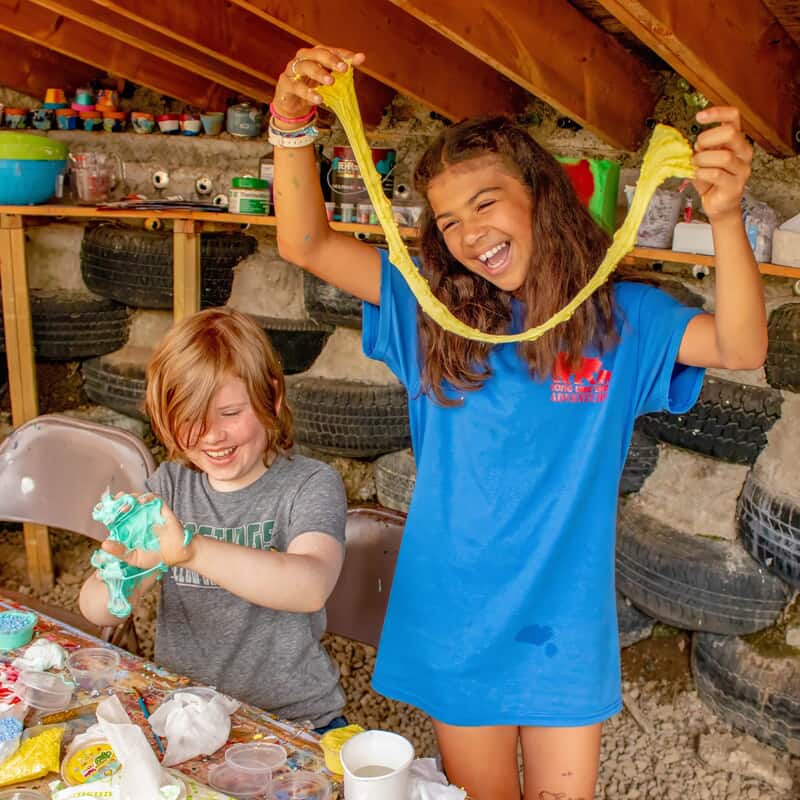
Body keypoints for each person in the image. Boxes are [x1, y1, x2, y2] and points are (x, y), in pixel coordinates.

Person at [270, 45, 767, 799]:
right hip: (456, 611)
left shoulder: (622, 321)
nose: (469, 234)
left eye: (486, 203)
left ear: (540, 194)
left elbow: (741, 344)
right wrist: (291, 121)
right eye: (448, 220)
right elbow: (303, 242)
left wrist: (726, 215)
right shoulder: (429, 310)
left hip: (563, 623)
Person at [79, 307, 349, 733]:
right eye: (190, 418)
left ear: (272, 396)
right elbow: (97, 610)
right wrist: (123, 573)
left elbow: (310, 587)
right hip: (189, 714)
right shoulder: (167, 489)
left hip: (295, 720)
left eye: (229, 413)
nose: (211, 435)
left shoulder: (308, 485)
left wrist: (192, 550)